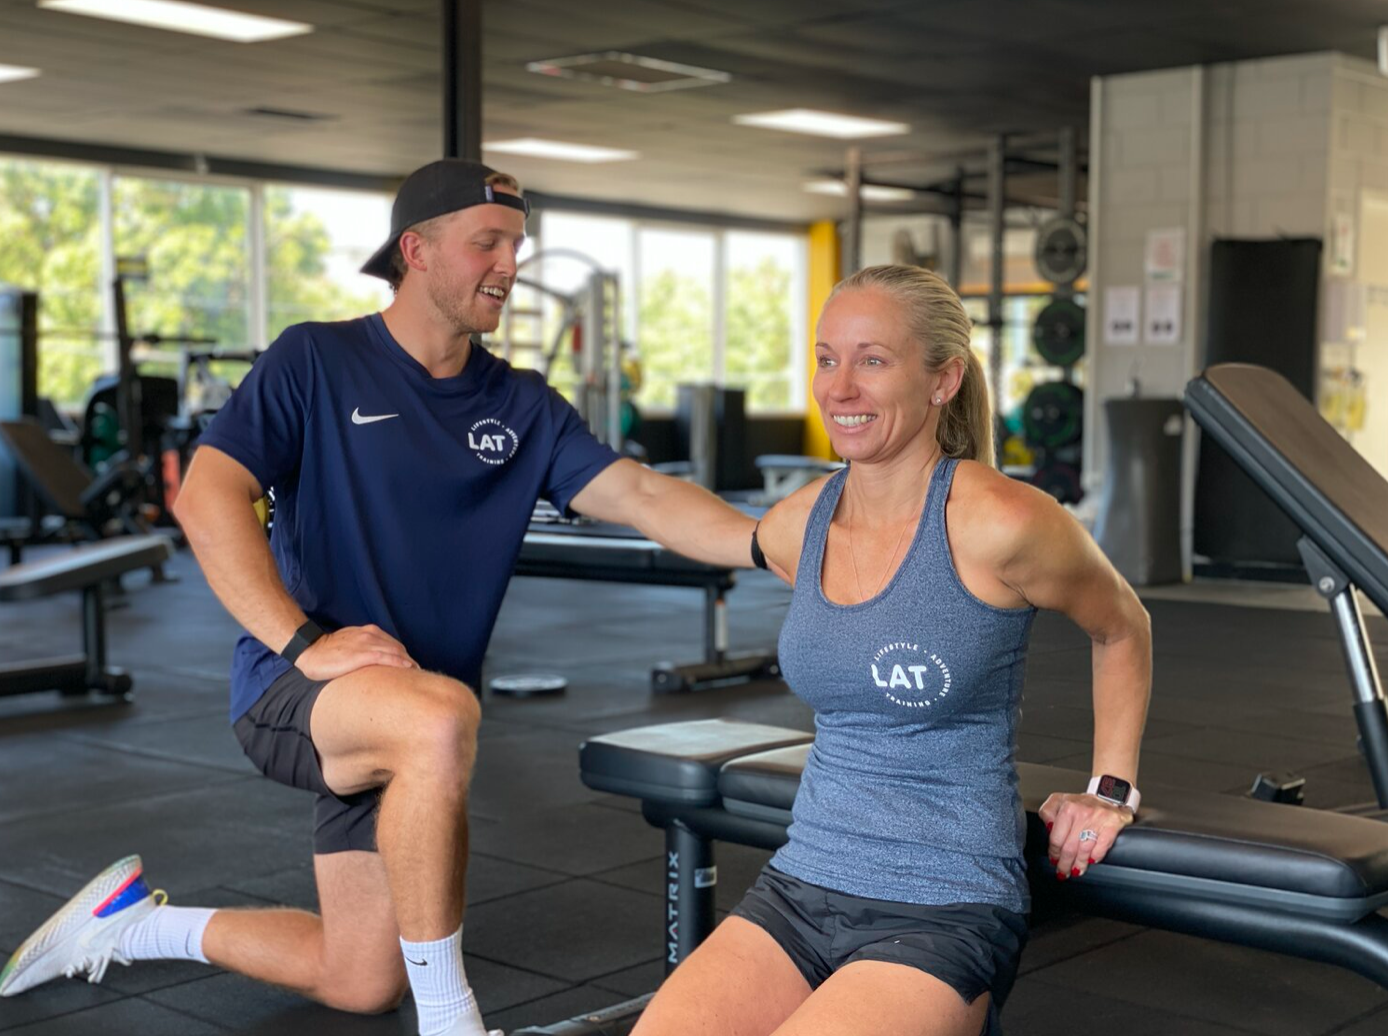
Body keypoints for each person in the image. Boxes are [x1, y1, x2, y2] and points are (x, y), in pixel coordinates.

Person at [0, 159, 757, 1036]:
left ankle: (130, 926)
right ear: (416, 251)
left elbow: (644, 494)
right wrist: (302, 642)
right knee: (439, 718)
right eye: (487, 242)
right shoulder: (316, 360)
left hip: (409, 718)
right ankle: (451, 1020)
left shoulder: (521, 403)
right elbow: (206, 496)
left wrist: (770, 540)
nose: (509, 264)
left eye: (517, 244)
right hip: (300, 689)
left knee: (359, 978)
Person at [633, 264, 1151, 1036]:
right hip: (801, 883)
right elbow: (682, 516)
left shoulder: (1003, 522)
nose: (840, 387)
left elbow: (1122, 625)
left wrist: (1110, 787)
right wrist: (572, 467)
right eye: (826, 359)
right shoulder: (805, 520)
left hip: (945, 903)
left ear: (944, 379)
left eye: (872, 360)